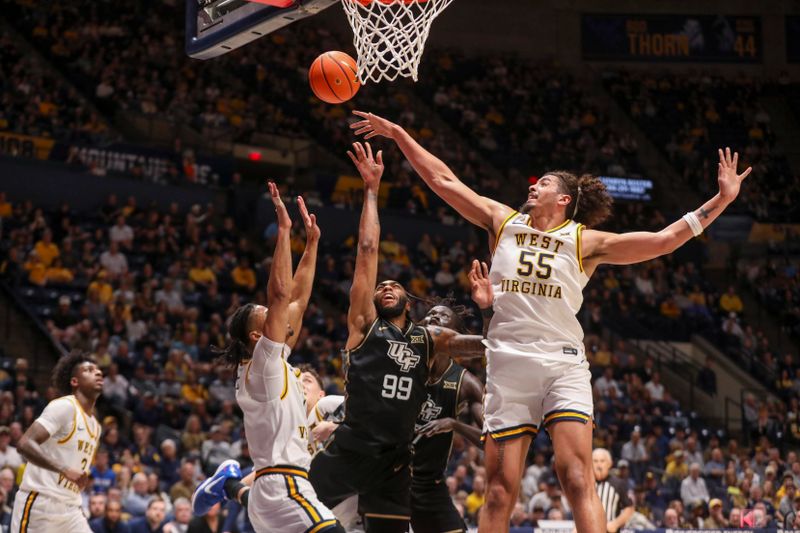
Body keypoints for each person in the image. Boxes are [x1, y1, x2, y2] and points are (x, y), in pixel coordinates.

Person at [352, 110, 752, 533]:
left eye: (543, 183)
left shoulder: (584, 240)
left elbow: (663, 241)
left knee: (577, 478)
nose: (533, 185)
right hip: (507, 366)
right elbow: (444, 181)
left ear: (563, 199)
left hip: (562, 364)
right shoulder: (502, 220)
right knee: (500, 490)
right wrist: (398, 135)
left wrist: (721, 201)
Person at [308, 142, 485, 533]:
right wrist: (371, 189)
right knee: (289, 520)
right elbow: (369, 249)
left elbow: (473, 346)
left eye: (395, 284)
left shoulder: (428, 337)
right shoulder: (364, 325)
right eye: (380, 286)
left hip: (395, 461)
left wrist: (501, 319)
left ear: (410, 299)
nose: (386, 286)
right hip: (352, 448)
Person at [190, 184, 343, 533]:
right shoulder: (261, 364)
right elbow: (280, 293)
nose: (278, 314)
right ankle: (231, 487)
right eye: (267, 314)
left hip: (270, 491)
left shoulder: (277, 363)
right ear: (256, 337)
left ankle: (230, 486)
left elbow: (298, 300)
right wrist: (285, 232)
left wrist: (313, 243)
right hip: (283, 488)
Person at [411, 300, 484, 533]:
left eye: (442, 316)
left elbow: (489, 439)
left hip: (429, 485)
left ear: (457, 335)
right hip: (390, 476)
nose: (432, 318)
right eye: (430, 315)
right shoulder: (403, 366)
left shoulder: (468, 384)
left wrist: (454, 424)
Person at [13, 351, 104, 532]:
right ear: (74, 382)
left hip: (71, 508)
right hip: (41, 502)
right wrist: (63, 469)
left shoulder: (95, 426)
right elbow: (24, 444)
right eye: (89, 370)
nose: (98, 373)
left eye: (98, 370)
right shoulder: (65, 407)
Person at [591, 449, 634, 533]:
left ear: (609, 464)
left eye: (602, 461)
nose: (599, 465)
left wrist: (616, 523)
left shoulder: (618, 484)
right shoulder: (586, 484)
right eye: (595, 461)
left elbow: (629, 508)